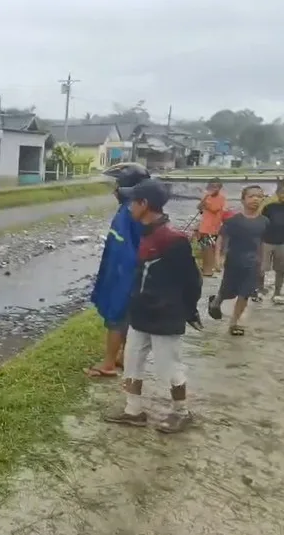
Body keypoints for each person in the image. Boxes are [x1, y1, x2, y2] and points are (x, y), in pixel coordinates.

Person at [104, 179, 203, 434]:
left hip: (164, 315)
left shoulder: (173, 238)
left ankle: (182, 412)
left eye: (132, 202)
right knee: (132, 361)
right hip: (140, 313)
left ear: (144, 204)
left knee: (169, 367)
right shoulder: (145, 233)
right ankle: (133, 410)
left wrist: (189, 310)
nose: (128, 207)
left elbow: (192, 280)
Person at [87, 163, 149, 378]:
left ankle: (108, 364)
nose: (114, 190)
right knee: (123, 317)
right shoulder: (133, 209)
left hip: (125, 273)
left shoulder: (131, 212)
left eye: (117, 185)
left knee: (116, 318)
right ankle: (123, 355)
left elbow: (130, 249)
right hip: (121, 270)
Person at [207, 185, 268, 335]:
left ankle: (234, 323)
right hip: (233, 261)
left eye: (259, 196)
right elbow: (221, 238)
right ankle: (216, 301)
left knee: (245, 293)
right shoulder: (234, 220)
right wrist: (218, 258)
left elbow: (263, 243)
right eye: (251, 196)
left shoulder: (264, 222)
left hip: (252, 262)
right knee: (227, 291)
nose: (255, 199)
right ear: (243, 199)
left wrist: (264, 262)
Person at [195, 178, 226, 276]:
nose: (213, 188)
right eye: (211, 186)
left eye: (216, 186)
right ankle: (205, 268)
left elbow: (214, 209)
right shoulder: (207, 197)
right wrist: (204, 199)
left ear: (220, 188)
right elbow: (199, 207)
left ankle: (209, 270)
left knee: (209, 249)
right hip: (203, 227)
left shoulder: (221, 198)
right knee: (204, 248)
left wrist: (206, 203)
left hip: (212, 228)